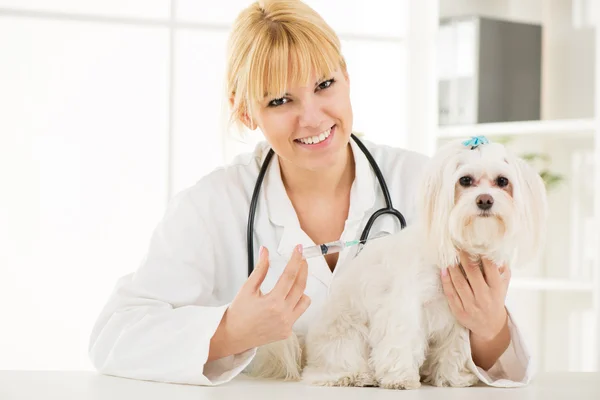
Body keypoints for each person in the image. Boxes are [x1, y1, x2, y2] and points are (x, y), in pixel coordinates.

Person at [88, 0, 532, 388]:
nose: (313, 118)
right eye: (280, 101)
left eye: (324, 85)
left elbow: (499, 367)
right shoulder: (211, 206)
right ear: (246, 113)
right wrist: (229, 331)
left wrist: (489, 327)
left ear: (346, 77)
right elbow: (113, 337)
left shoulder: (432, 184)